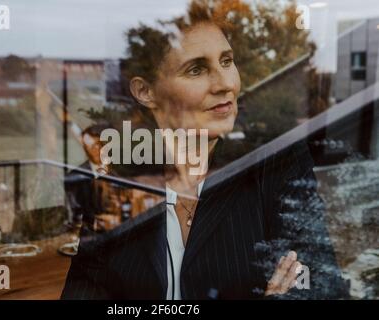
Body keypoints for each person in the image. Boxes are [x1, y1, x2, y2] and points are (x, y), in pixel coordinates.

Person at [62, 1, 347, 299]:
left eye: (227, 61)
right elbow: (86, 286)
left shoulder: (276, 162)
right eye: (197, 69)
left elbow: (322, 284)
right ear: (146, 92)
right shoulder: (115, 172)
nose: (225, 84)